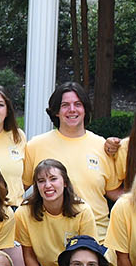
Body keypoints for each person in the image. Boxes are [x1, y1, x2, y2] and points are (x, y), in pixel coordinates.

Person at [25, 82, 117, 220]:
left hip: (95, 229)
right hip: (49, 229)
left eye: (78, 104)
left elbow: (113, 191)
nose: (72, 109)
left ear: (85, 109)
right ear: (56, 111)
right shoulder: (36, 146)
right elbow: (18, 188)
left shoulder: (102, 146)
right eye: (65, 105)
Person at [10, 159, 102, 266]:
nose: (47, 185)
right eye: (41, 181)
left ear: (65, 182)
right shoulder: (23, 213)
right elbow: (28, 255)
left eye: (53, 179)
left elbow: (88, 252)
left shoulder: (82, 210)